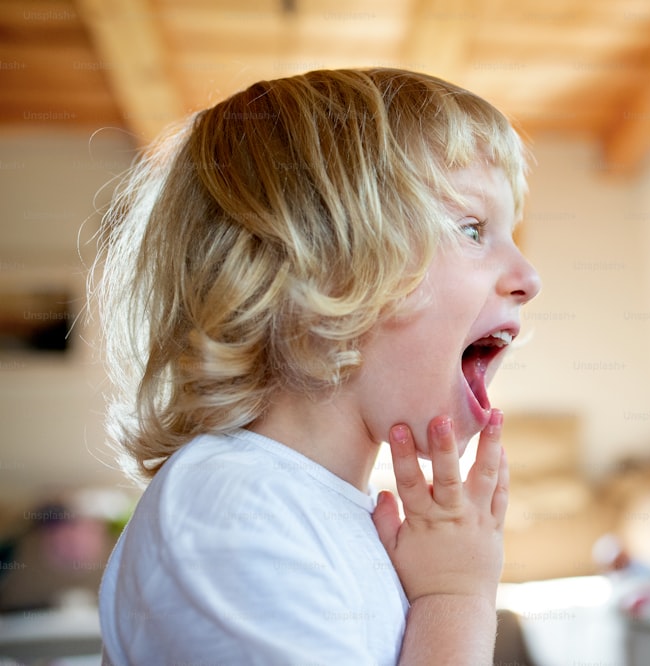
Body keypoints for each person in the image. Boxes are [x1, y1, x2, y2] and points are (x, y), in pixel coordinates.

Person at [93, 67, 541, 664]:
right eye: (471, 228)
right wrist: (457, 597)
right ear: (318, 266)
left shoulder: (325, 513)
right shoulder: (229, 512)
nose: (529, 279)